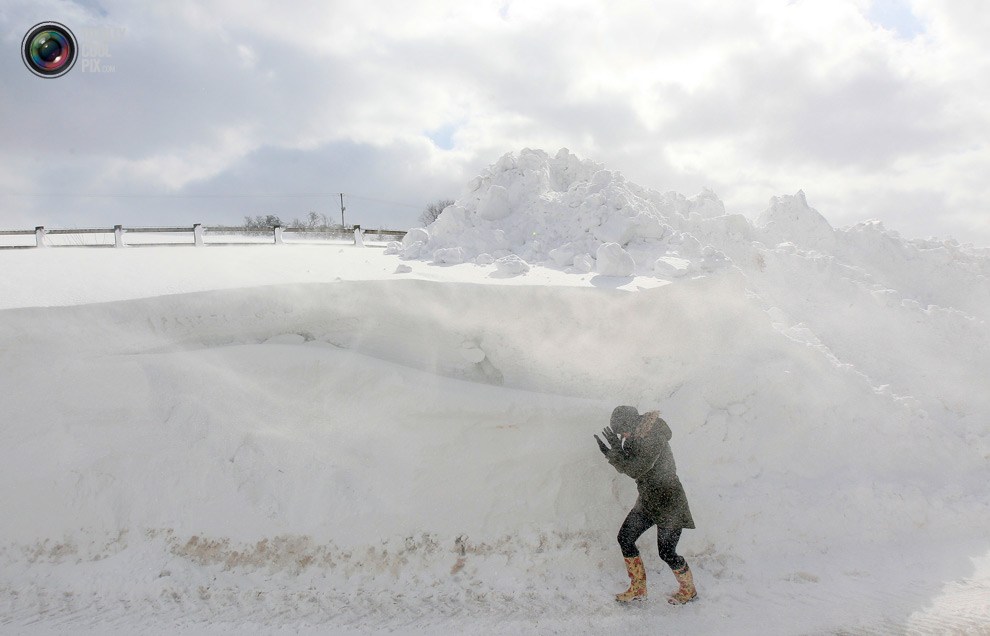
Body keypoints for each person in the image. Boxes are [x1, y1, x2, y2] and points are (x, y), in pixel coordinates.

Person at [595, 405, 697, 604]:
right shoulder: (634, 436)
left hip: (669, 502)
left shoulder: (654, 436)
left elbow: (636, 469)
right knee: (625, 538)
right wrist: (615, 451)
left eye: (623, 430)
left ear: (631, 424)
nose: (622, 435)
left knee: (667, 552)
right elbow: (628, 465)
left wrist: (615, 454)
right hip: (649, 500)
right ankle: (638, 588)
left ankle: (688, 589)